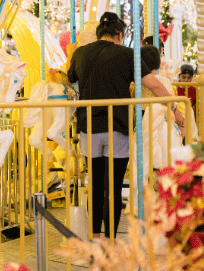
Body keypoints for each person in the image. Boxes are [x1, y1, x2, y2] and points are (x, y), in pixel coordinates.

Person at [67, 12, 184, 239]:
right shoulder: (128, 54)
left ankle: (95, 237)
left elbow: (71, 78)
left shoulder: (81, 53)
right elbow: (155, 86)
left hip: (88, 127)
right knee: (113, 186)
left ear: (99, 34)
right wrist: (175, 110)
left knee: (96, 182)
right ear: (119, 35)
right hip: (116, 127)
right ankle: (110, 240)